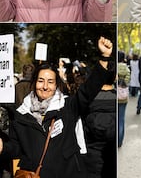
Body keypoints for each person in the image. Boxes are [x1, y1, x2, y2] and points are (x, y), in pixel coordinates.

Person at [0, 36, 114, 178]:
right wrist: (3, 147)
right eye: (41, 81)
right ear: (34, 83)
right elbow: (16, 148)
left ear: (56, 85)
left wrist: (104, 57)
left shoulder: (67, 106)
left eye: (50, 82)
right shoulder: (21, 113)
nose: (45, 86)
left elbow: (88, 90)